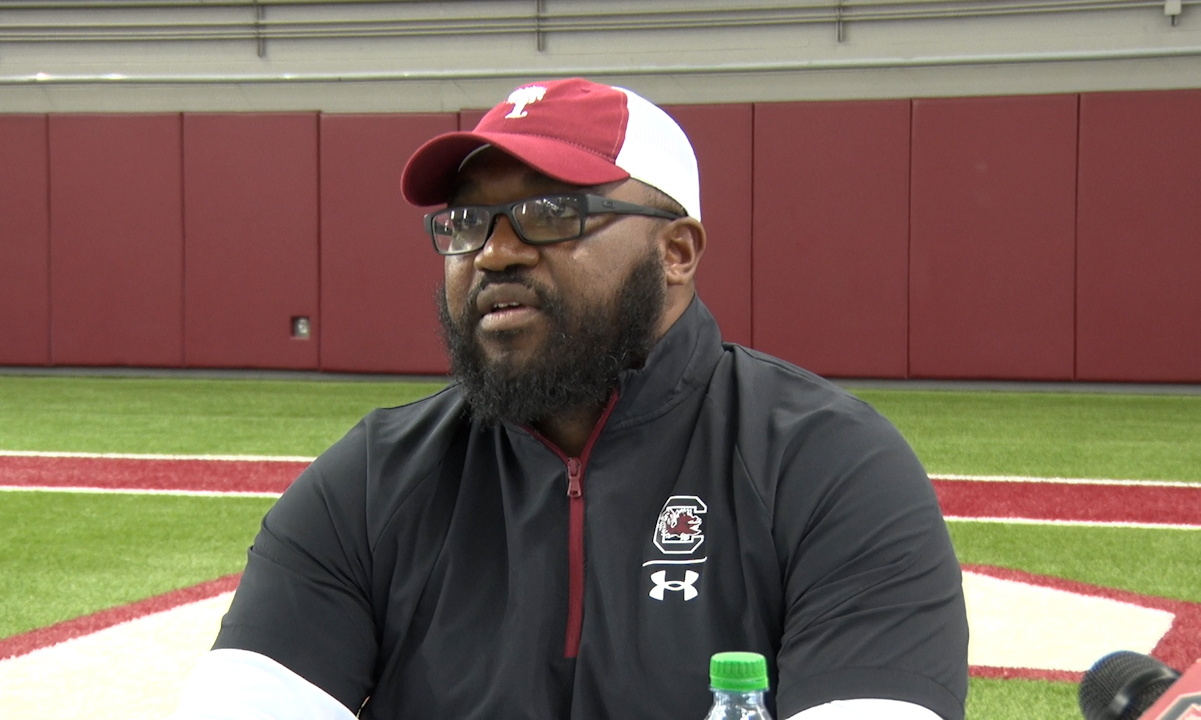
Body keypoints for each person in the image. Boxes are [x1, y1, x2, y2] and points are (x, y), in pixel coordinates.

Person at [172, 77, 969, 720]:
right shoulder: (375, 480)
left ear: (678, 252)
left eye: (552, 212)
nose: (495, 253)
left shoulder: (830, 467)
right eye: (466, 222)